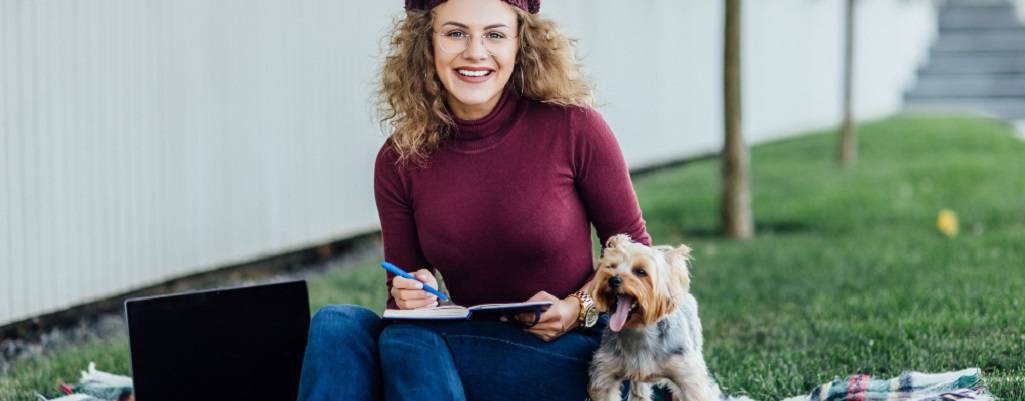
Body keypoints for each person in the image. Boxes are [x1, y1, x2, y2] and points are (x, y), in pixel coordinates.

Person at [296, 0, 651, 400]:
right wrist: (411, 292)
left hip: (577, 353)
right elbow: (402, 295)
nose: (475, 51)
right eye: (455, 33)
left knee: (406, 344)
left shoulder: (574, 128)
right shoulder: (399, 159)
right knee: (335, 324)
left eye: (495, 34)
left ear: (522, 43)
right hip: (463, 344)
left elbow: (640, 256)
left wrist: (577, 307)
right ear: (426, 43)